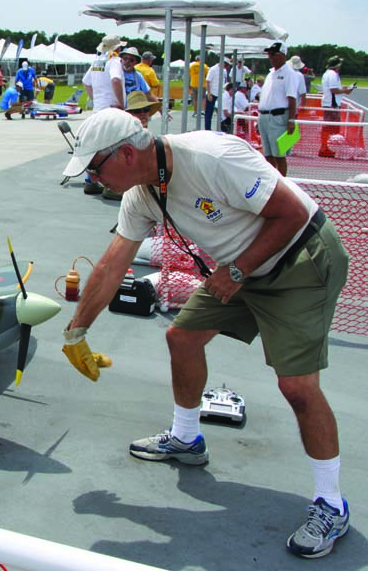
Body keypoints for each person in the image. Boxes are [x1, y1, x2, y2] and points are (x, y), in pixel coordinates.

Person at [61, 107, 350, 560]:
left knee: (297, 386)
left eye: (95, 168)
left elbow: (291, 213)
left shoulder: (211, 157)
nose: (93, 180)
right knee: (182, 338)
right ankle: (187, 438)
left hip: (300, 258)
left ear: (126, 153)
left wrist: (237, 270)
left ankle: (331, 504)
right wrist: (76, 331)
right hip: (241, 269)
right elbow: (113, 261)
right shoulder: (142, 194)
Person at [82, 34, 125, 195]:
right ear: (118, 48)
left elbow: (86, 82)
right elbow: (115, 80)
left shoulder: (97, 62)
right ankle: (111, 187)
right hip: (111, 110)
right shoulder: (114, 62)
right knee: (112, 148)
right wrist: (120, 102)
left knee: (96, 145)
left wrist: (95, 99)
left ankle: (90, 181)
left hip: (98, 109)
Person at [258, 41, 300, 177]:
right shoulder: (271, 74)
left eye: (273, 54)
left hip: (278, 116)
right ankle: (271, 180)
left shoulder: (289, 73)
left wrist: (291, 120)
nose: (270, 57)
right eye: (269, 54)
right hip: (264, 116)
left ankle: (282, 182)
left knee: (279, 154)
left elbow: (291, 98)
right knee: (268, 154)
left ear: (282, 55)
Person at [319, 55, 356, 158]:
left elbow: (336, 88)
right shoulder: (332, 74)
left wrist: (345, 89)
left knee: (330, 127)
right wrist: (346, 90)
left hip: (330, 103)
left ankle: (325, 147)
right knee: (329, 127)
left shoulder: (328, 74)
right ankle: (324, 147)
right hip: (332, 104)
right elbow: (334, 90)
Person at [204, 57, 231, 130]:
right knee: (209, 113)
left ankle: (222, 127)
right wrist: (209, 93)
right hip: (212, 93)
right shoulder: (213, 69)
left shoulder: (224, 70)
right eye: (226, 65)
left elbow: (225, 81)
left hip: (220, 94)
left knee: (221, 112)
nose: (226, 67)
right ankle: (207, 129)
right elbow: (208, 81)